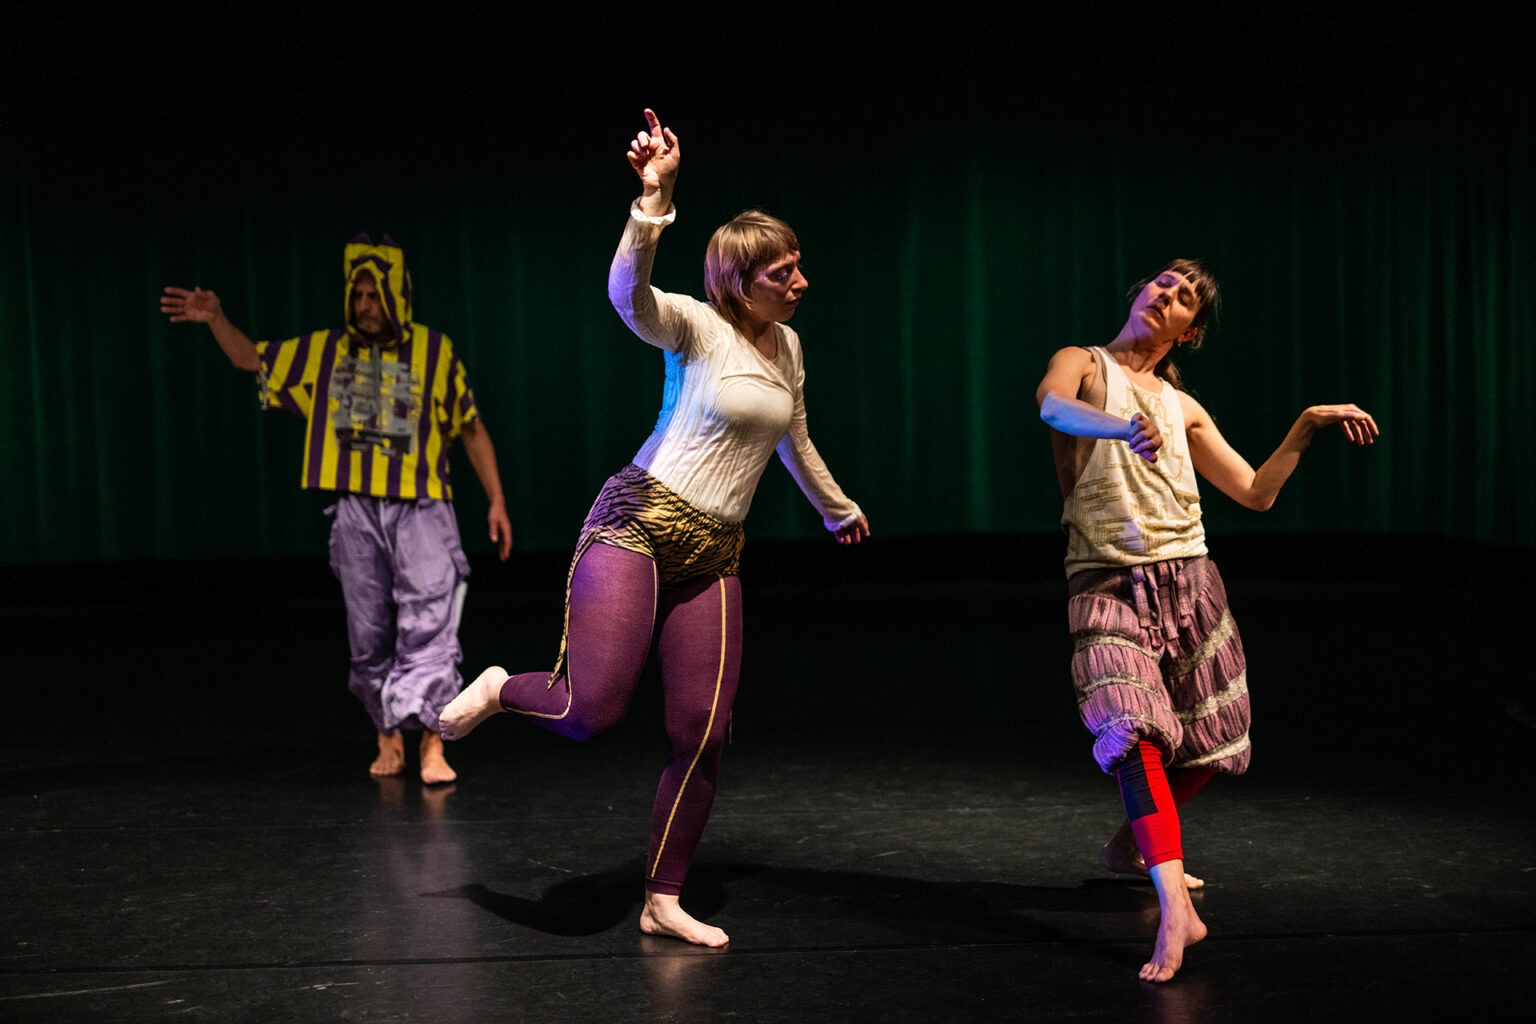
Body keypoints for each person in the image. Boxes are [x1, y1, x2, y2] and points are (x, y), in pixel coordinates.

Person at [440, 109, 869, 947]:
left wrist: (835, 506)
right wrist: (654, 198)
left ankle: (663, 898)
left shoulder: (788, 348)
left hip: (717, 550)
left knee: (702, 733)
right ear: (740, 282)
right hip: (638, 520)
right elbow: (624, 293)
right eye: (785, 271)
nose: (801, 282)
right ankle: (500, 687)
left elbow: (795, 436)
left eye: (799, 266)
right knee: (589, 709)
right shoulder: (694, 328)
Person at [1035, 260, 1378, 982]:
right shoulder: (1085, 364)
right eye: (1162, 282)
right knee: (1132, 731)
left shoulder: (1183, 408)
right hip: (1107, 579)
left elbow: (1254, 493)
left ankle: (1132, 844)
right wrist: (1119, 426)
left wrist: (1306, 425)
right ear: (1139, 294)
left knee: (1212, 741)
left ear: (1189, 333)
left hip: (1190, 578)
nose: (1167, 294)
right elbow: (1053, 409)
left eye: (1185, 296)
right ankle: (1173, 909)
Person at [161, 235, 512, 785]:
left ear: (397, 295)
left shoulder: (434, 351)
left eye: (374, 295)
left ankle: (431, 746)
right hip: (356, 515)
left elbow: (471, 428)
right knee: (369, 634)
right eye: (358, 295)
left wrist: (495, 499)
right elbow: (252, 358)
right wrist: (216, 318)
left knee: (431, 632)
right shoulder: (325, 350)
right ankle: (386, 736)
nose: (364, 305)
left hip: (422, 510)